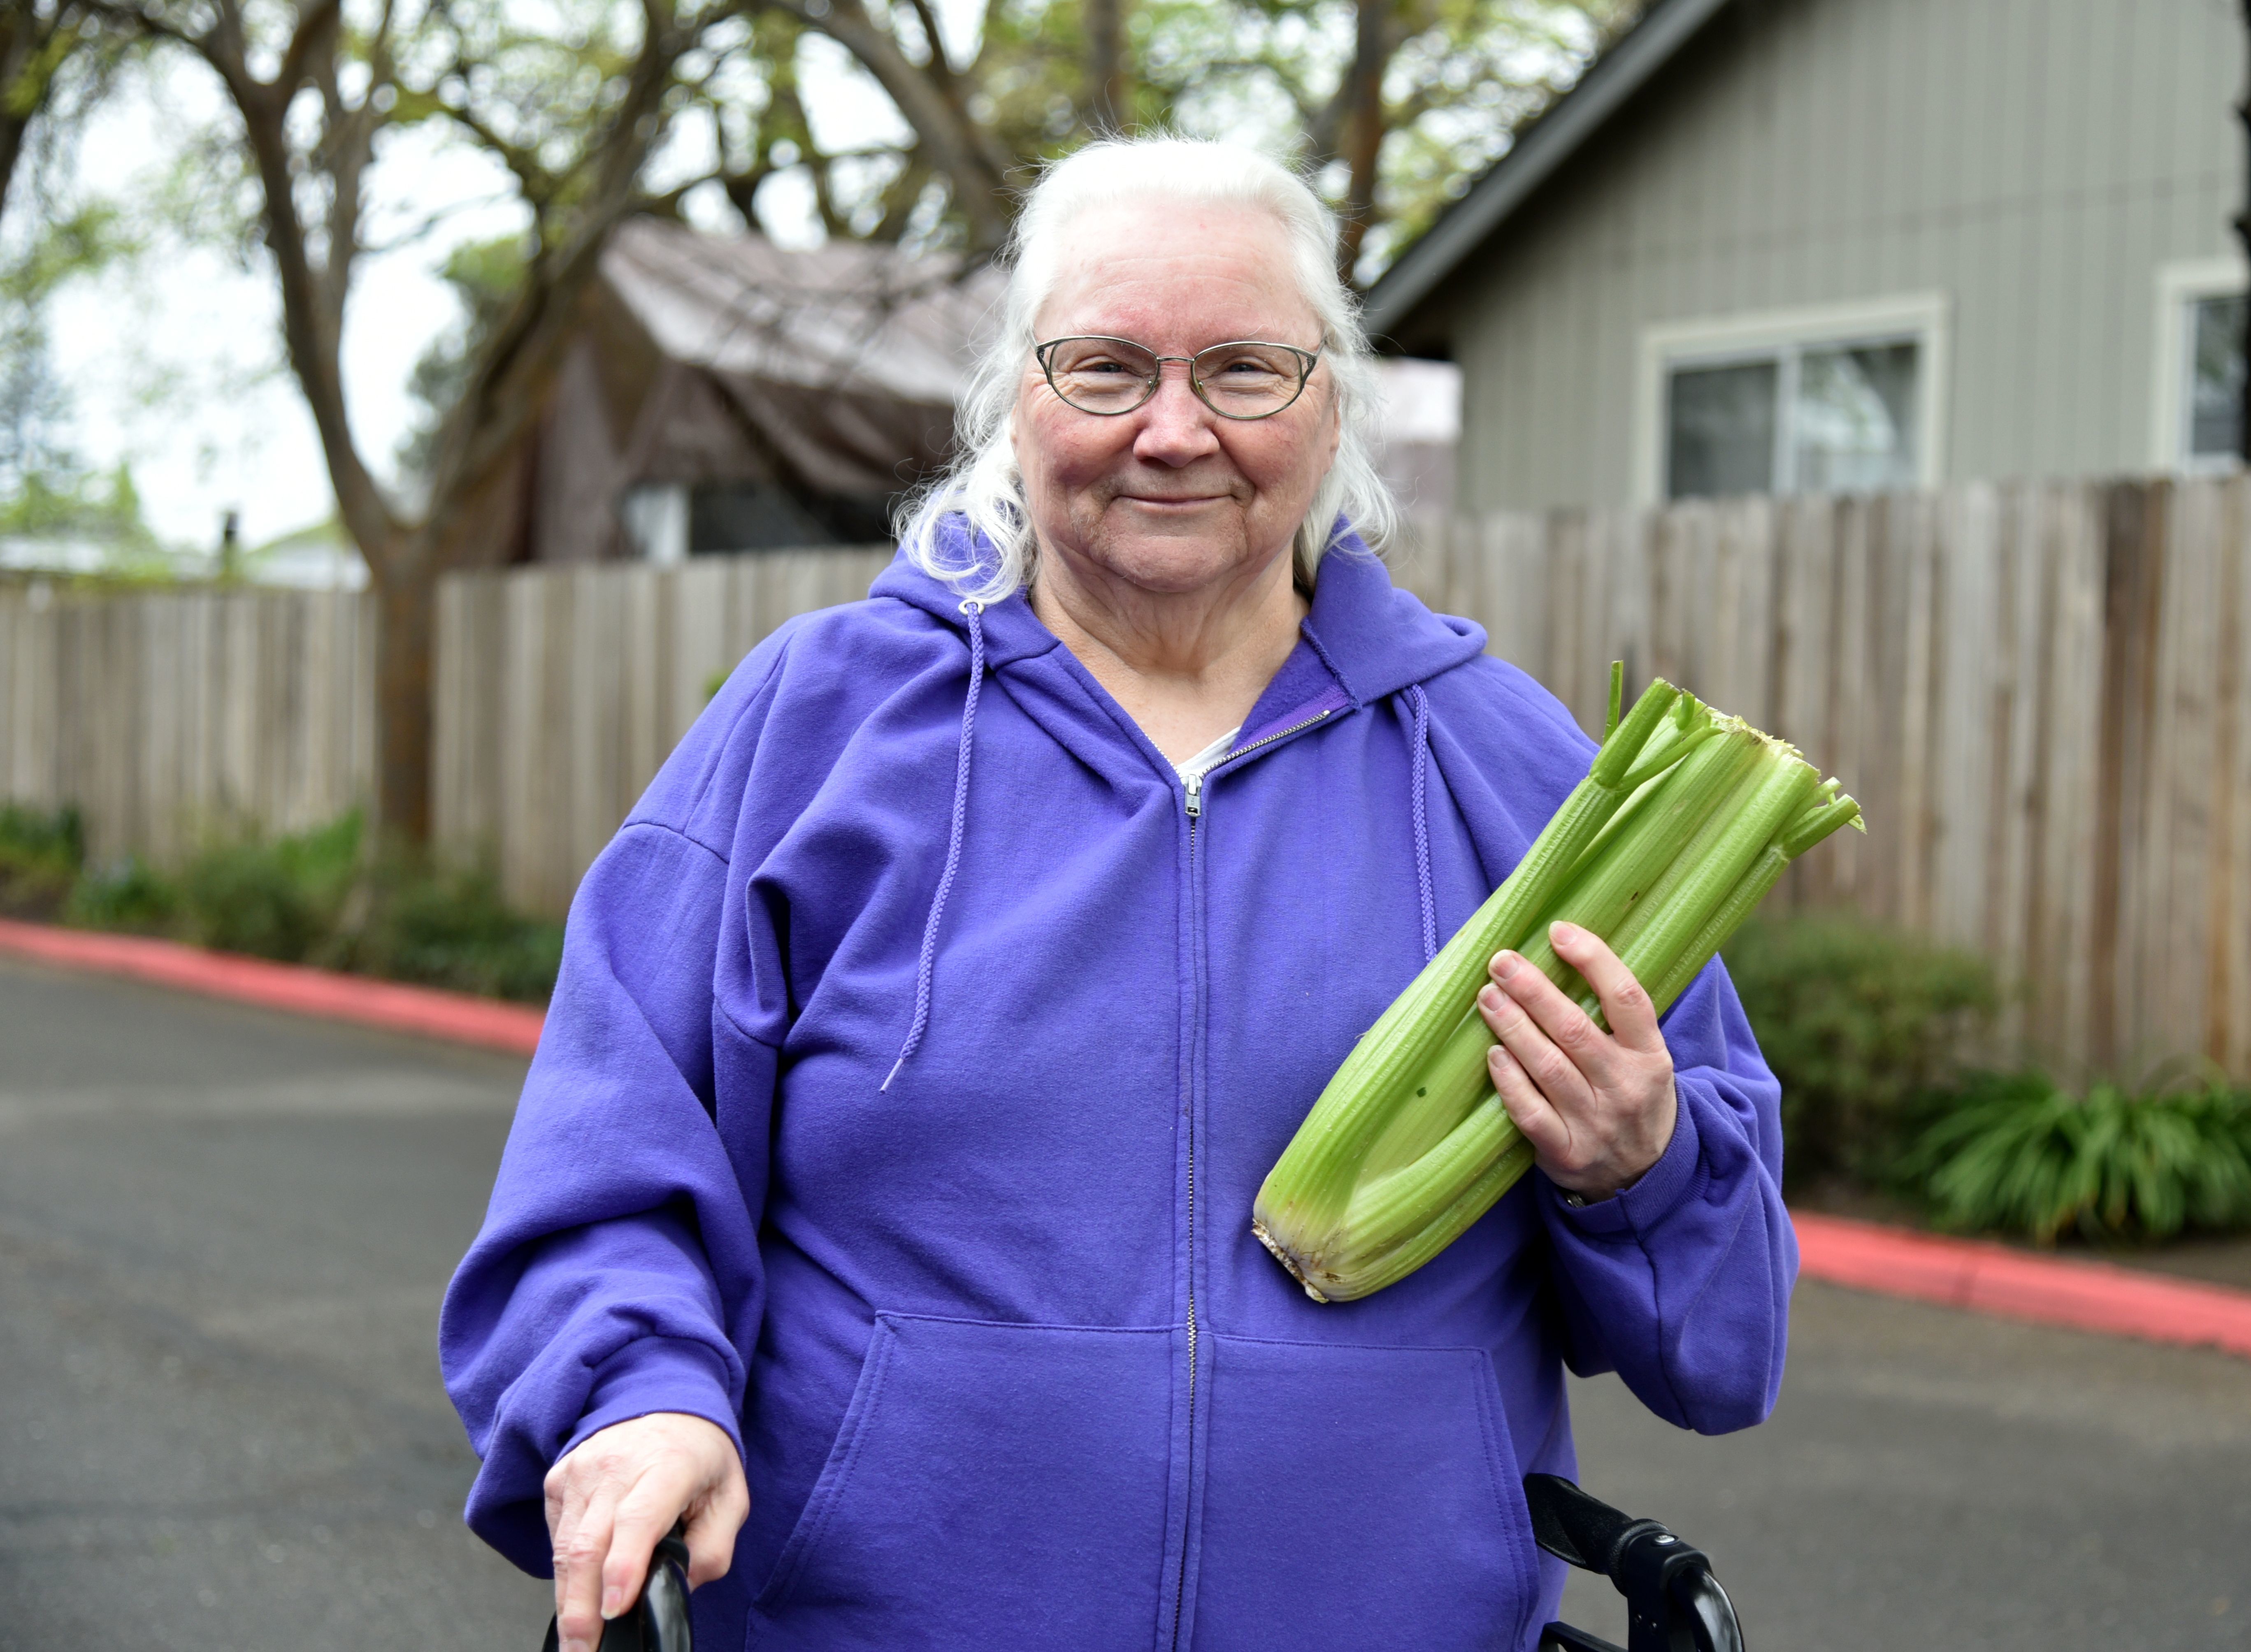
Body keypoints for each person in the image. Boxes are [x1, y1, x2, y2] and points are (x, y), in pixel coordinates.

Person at [441, 136, 1794, 1652]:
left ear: (1331, 399)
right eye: (1105, 369)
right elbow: (610, 1161)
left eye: (1243, 369)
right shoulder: (816, 732)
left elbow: (1720, 1347)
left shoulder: (1517, 776)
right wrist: (638, 1398)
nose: (1172, 430)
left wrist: (1642, 1164)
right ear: (1016, 400)